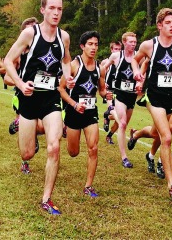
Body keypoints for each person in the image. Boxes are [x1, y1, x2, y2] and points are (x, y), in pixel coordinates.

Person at [4, 0, 74, 215]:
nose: (56, 13)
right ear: (42, 10)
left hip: (51, 98)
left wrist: (67, 76)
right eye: (52, 8)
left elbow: (66, 60)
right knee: (27, 154)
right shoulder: (29, 34)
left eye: (59, 9)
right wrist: (20, 83)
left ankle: (46, 199)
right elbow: (7, 60)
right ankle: (27, 131)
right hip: (29, 97)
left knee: (54, 147)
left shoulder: (64, 37)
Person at [131, 8, 172, 200]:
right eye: (167, 23)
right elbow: (135, 61)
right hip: (154, 96)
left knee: (155, 133)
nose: (171, 26)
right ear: (159, 25)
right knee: (166, 136)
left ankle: (137, 134)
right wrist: (137, 74)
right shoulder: (149, 45)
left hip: (171, 97)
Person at [58, 31, 112, 197]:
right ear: (82, 46)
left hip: (90, 113)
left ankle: (88, 186)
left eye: (96, 44)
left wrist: (105, 94)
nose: (94, 47)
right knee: (73, 153)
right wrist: (74, 104)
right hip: (74, 112)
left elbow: (101, 89)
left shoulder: (100, 68)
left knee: (93, 148)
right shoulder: (74, 65)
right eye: (90, 44)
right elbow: (60, 88)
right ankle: (66, 130)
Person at [4, 17, 43, 174]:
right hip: (22, 96)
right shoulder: (19, 55)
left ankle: (30, 134)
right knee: (26, 130)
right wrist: (21, 83)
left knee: (40, 126)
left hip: (41, 96)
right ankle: (24, 161)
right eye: (29, 29)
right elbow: (7, 77)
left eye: (35, 28)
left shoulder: (42, 51)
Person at [105, 32, 141, 168]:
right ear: (124, 42)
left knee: (124, 123)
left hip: (132, 95)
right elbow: (104, 67)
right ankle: (124, 157)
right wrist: (102, 82)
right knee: (123, 123)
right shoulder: (116, 56)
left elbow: (143, 68)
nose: (133, 44)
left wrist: (140, 83)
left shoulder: (138, 56)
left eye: (135, 42)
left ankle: (108, 118)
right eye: (131, 41)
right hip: (120, 94)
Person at [100, 41, 122, 144]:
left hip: (119, 91)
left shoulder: (122, 61)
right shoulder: (105, 62)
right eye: (115, 49)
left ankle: (109, 134)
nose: (117, 51)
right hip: (108, 91)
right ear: (111, 50)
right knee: (116, 112)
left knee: (121, 116)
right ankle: (107, 115)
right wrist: (103, 83)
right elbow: (99, 74)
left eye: (119, 49)